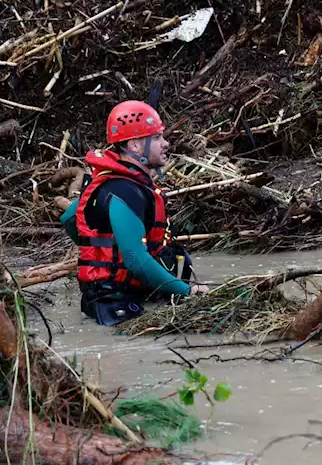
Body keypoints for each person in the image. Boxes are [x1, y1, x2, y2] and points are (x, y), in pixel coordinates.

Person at [59, 100, 209, 326]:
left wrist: (101, 249)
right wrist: (186, 291)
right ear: (135, 146)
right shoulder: (123, 191)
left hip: (121, 295)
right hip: (113, 303)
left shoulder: (116, 181)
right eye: (157, 138)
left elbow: (70, 219)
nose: (165, 143)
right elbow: (135, 260)